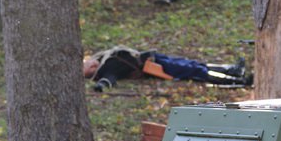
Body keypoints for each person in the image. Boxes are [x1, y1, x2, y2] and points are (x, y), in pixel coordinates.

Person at [83, 46, 251, 91]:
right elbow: (109, 79)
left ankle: (232, 70)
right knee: (194, 71)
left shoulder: (105, 57)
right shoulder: (107, 69)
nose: (92, 65)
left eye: (89, 63)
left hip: (153, 57)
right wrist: (101, 85)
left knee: (194, 64)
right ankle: (236, 81)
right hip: (152, 66)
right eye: (89, 68)